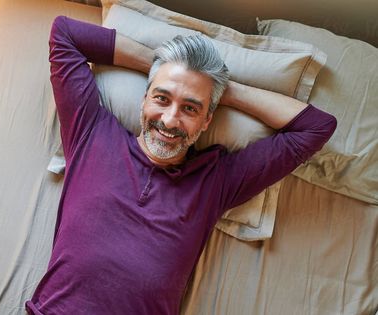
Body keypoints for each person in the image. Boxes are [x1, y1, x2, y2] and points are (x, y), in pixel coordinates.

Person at [26, 16, 336, 315]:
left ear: (206, 122)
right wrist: (161, 67)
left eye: (190, 108)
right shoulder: (91, 134)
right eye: (161, 98)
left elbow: (316, 128)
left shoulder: (216, 181)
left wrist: (222, 91)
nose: (171, 120)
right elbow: (65, 34)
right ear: (144, 99)